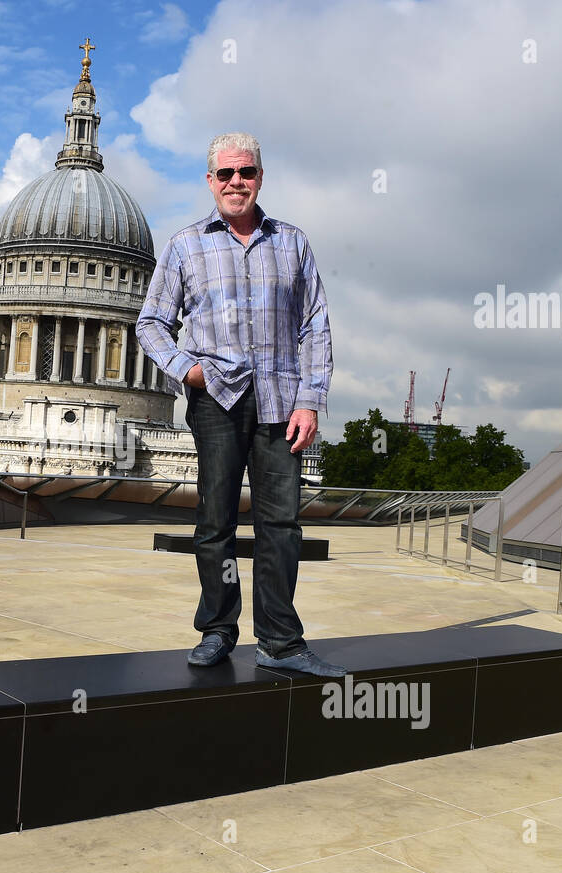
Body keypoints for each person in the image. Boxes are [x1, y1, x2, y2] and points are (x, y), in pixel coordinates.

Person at [136, 132, 344, 676]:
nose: (236, 183)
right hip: (217, 400)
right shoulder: (185, 245)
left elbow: (315, 324)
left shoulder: (293, 242)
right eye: (225, 174)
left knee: (281, 525)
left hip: (281, 402)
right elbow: (151, 324)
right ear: (210, 181)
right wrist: (191, 370)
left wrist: (312, 401)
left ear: (260, 177)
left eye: (245, 173)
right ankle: (217, 629)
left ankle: (280, 641)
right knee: (215, 522)